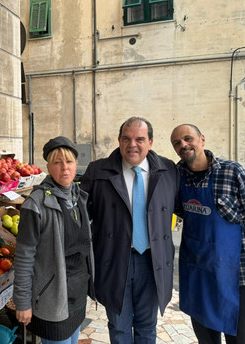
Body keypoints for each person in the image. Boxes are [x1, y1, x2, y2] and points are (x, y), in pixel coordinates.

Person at [170, 124, 245, 344]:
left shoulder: (232, 172)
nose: (183, 145)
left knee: (240, 340)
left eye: (188, 138)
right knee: (206, 340)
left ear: (202, 139)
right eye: (177, 143)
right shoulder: (177, 176)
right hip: (197, 275)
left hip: (235, 277)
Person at [81, 117, 180, 344]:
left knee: (147, 326)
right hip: (114, 261)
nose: (132, 144)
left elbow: (184, 206)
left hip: (152, 261)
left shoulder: (168, 170)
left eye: (139, 139)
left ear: (151, 142)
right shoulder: (98, 171)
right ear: (119, 140)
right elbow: (79, 213)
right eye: (126, 138)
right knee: (118, 327)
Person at [13, 136, 95, 344]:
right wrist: (23, 302)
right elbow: (24, 257)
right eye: (57, 162)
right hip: (53, 295)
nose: (64, 168)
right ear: (49, 167)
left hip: (78, 291)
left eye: (69, 162)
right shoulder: (36, 205)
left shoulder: (79, 197)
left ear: (76, 165)